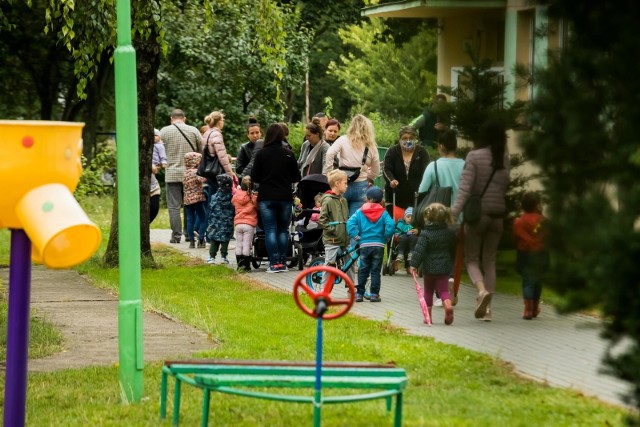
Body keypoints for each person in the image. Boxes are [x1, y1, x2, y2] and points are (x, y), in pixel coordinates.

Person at [451, 119, 510, 321]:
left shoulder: (474, 156)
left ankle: (482, 291)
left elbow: (465, 189)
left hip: (478, 216)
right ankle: (488, 310)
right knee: (490, 260)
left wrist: (453, 212)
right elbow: (504, 186)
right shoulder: (504, 158)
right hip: (498, 216)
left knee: (472, 259)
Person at [251, 123, 301, 273]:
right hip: (285, 196)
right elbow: (296, 176)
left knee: (270, 230)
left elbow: (255, 177)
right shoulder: (288, 154)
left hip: (266, 196)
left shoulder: (261, 154)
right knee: (283, 230)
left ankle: (274, 263)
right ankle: (283, 262)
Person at [409, 203, 457, 325]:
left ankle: (428, 316)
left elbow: (419, 251)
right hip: (444, 266)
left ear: (428, 217)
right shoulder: (449, 232)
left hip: (429, 268)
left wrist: (413, 265)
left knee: (428, 291)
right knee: (444, 291)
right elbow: (453, 247)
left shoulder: (425, 234)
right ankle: (447, 305)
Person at [160, 109, 202, 244]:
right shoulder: (194, 130)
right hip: (191, 175)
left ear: (171, 118)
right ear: (184, 118)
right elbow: (201, 151)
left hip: (172, 174)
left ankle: (176, 236)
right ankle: (189, 234)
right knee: (189, 205)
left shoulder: (164, 132)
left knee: (173, 206)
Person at [326, 114, 380, 216]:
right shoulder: (371, 146)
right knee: (354, 221)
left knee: (340, 218)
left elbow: (329, 153)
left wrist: (330, 172)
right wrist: (368, 176)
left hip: (341, 184)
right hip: (361, 186)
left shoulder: (343, 139)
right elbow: (376, 171)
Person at [347, 186, 395, 303]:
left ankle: (359, 294)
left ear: (368, 199)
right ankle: (374, 294)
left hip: (364, 244)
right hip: (378, 245)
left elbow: (350, 224)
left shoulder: (360, 211)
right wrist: (385, 237)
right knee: (375, 271)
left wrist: (357, 237)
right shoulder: (383, 213)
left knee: (363, 269)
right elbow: (391, 225)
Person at [513, 191, 548, 320]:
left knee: (528, 281)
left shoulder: (518, 221)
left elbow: (515, 239)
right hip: (540, 254)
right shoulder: (543, 221)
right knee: (538, 281)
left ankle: (527, 309)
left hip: (525, 254)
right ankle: (535, 306)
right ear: (537, 205)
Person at [383, 126, 429, 217]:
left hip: (416, 198)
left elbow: (427, 172)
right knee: (395, 226)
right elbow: (386, 169)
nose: (408, 141)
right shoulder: (392, 151)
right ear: (400, 139)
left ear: (415, 139)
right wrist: (391, 180)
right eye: (404, 138)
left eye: (411, 138)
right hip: (395, 197)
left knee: (413, 227)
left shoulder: (422, 152)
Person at [319, 170, 350, 281]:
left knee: (350, 262)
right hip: (332, 239)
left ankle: (352, 288)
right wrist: (333, 230)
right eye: (345, 183)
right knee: (329, 264)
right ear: (337, 183)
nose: (347, 185)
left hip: (345, 238)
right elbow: (322, 220)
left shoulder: (343, 200)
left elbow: (347, 218)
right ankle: (323, 290)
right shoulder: (328, 200)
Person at [202, 111, 234, 196]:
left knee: (211, 196)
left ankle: (210, 210)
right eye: (222, 120)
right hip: (217, 171)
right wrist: (229, 173)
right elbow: (222, 156)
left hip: (208, 170)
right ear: (219, 121)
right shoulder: (217, 134)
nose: (223, 122)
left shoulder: (206, 133)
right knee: (219, 197)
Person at [206, 174, 235, 265]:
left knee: (214, 239)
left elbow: (210, 208)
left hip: (215, 222)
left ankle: (212, 257)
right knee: (225, 240)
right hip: (227, 222)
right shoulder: (232, 197)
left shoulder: (214, 197)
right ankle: (224, 257)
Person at [232, 175, 258, 272]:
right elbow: (258, 207)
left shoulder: (236, 197)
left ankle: (239, 265)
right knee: (247, 245)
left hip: (238, 224)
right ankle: (246, 266)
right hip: (249, 224)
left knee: (239, 244)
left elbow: (233, 202)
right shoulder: (253, 198)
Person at [182, 152, 207, 249]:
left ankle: (191, 241)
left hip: (187, 200)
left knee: (190, 220)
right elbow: (204, 180)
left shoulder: (185, 173)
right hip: (197, 199)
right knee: (203, 218)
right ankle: (201, 239)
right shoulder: (195, 172)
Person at [150, 128, 167, 223]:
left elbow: (163, 156)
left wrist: (162, 163)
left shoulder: (159, 146)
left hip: (153, 186)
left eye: (156, 136)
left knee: (154, 208)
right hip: (149, 184)